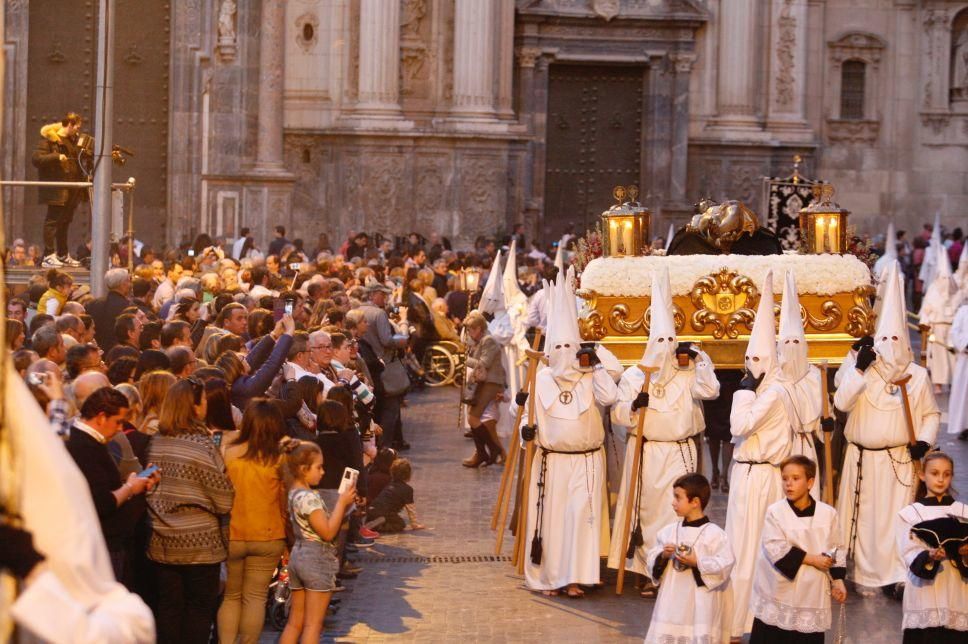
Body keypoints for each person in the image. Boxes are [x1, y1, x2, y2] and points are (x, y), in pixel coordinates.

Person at [609, 267, 720, 595]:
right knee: (644, 509)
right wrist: (634, 406)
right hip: (645, 452)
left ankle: (676, 565)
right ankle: (645, 569)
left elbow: (710, 389)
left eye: (669, 341)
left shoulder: (688, 375)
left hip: (679, 452)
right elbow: (617, 415)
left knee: (677, 511)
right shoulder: (634, 375)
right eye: (659, 340)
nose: (665, 347)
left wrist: (701, 360)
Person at [510, 268, 618, 598]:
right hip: (551, 462)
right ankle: (550, 577)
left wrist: (596, 362)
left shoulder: (590, 375)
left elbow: (611, 397)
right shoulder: (540, 377)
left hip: (587, 460)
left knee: (581, 519)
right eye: (559, 346)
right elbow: (523, 415)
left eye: (570, 346)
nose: (564, 353)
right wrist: (523, 423)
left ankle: (577, 577)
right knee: (553, 521)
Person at [834, 260, 940, 595]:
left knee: (896, 520)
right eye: (885, 337)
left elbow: (931, 415)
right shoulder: (858, 367)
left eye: (897, 337)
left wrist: (924, 442)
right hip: (862, 459)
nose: (891, 344)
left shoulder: (917, 375)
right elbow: (841, 403)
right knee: (864, 520)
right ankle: (862, 575)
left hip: (899, 461)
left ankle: (897, 576)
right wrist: (859, 371)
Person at [725, 271, 794, 639]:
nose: (752, 363)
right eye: (748, 357)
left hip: (763, 476)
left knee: (754, 547)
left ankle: (751, 618)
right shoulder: (766, 390)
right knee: (738, 544)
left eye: (759, 358)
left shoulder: (772, 393)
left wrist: (744, 391)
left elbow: (739, 425)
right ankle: (736, 616)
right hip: (745, 473)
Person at [146, 378, 235, 643]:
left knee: (169, 608)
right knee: (198, 610)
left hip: (162, 539)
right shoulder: (202, 445)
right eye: (204, 400)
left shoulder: (156, 442)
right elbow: (223, 497)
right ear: (194, 406)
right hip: (200, 543)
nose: (206, 405)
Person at [66, 387, 159, 586]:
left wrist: (135, 483)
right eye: (118, 422)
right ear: (101, 417)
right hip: (100, 545)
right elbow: (102, 502)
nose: (119, 429)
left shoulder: (82, 440)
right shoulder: (84, 446)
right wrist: (130, 488)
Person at [749, 456, 847, 643]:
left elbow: (837, 548)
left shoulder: (828, 514)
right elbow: (774, 546)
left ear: (810, 482)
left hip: (812, 594)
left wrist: (838, 579)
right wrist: (812, 559)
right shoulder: (775, 512)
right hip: (780, 591)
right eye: (785, 479)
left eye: (795, 478)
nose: (789, 484)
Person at [217, 399, 288, 644]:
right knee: (255, 597)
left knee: (231, 596)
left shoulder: (229, 452)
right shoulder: (280, 459)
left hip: (233, 533)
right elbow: (284, 500)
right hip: (269, 533)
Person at [278, 437, 357, 644]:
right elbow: (328, 532)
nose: (322, 472)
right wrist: (342, 503)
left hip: (299, 554)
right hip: (316, 559)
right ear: (304, 469)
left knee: (294, 622)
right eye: (319, 467)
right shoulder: (309, 498)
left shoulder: (293, 493)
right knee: (313, 624)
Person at [644, 473, 734, 644]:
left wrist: (697, 562)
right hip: (671, 603)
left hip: (700, 606)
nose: (673, 502)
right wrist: (662, 556)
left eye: (678, 498)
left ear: (695, 502)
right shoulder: (668, 531)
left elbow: (724, 565)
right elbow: (652, 559)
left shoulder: (715, 535)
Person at [895, 451, 968, 643]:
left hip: (957, 591)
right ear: (922, 475)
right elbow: (908, 550)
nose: (941, 479)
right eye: (934, 473)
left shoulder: (963, 511)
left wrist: (964, 554)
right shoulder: (910, 514)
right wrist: (929, 555)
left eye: (946, 474)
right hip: (924, 592)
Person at [776, 271, 825, 500]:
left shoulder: (815, 375)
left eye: (797, 342)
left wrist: (825, 424)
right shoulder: (773, 377)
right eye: (787, 342)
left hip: (805, 446)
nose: (792, 347)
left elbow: (822, 421)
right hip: (781, 448)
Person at [32, 112, 87, 267]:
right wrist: (56, 157)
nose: (78, 129)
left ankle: (62, 254)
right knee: (52, 221)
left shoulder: (72, 140)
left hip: (70, 188)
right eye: (76, 126)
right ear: (69, 124)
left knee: (64, 222)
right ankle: (49, 255)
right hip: (57, 188)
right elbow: (36, 159)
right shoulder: (48, 140)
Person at [462, 310, 507, 467]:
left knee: (474, 418)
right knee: (477, 419)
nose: (469, 333)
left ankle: (490, 451)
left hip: (492, 383)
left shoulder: (489, 341)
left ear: (479, 328)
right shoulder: (480, 342)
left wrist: (465, 360)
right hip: (485, 383)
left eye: (471, 330)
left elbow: (483, 364)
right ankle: (485, 452)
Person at [919, 244, 962, 392]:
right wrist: (925, 323)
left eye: (947, 278)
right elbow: (926, 308)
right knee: (938, 358)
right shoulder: (933, 289)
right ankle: (938, 384)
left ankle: (952, 383)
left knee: (952, 358)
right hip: (936, 328)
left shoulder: (956, 292)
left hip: (952, 329)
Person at [366, 458, 423, 533]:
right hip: (385, 513)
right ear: (408, 474)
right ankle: (379, 525)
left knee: (390, 517)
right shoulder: (407, 489)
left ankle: (374, 522)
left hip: (371, 510)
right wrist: (415, 524)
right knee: (400, 524)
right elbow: (410, 509)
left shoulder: (389, 484)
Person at [86, 268, 132, 351]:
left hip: (96, 351)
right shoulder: (128, 307)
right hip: (119, 352)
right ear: (122, 284)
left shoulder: (92, 304)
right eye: (128, 281)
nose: (130, 285)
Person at [947, 301, 968, 440]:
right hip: (965, 359)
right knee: (964, 394)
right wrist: (964, 345)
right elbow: (955, 331)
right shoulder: (963, 311)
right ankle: (964, 426)